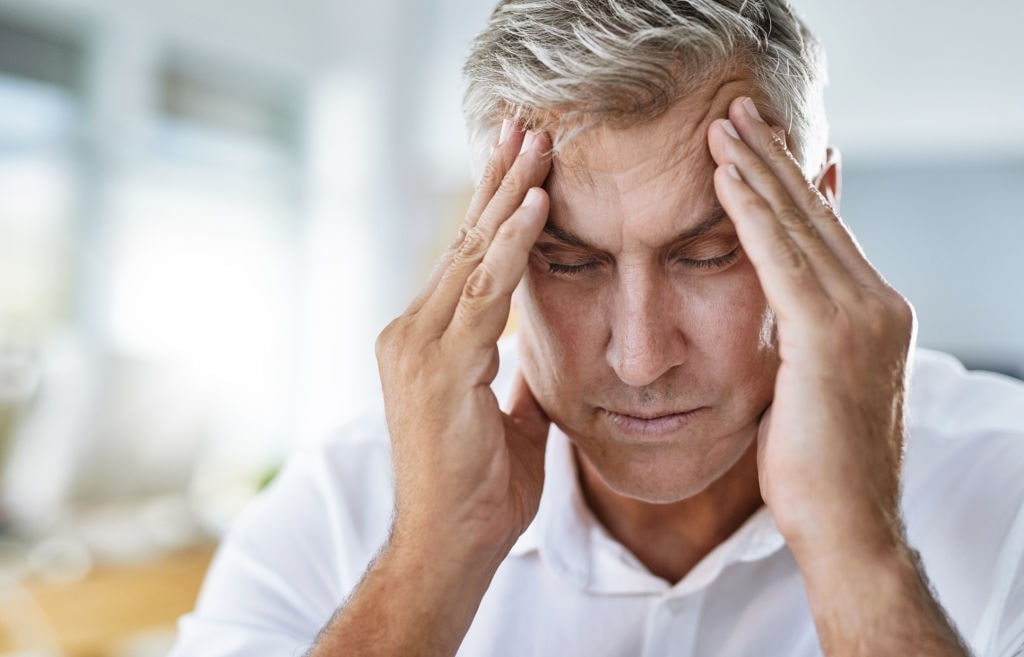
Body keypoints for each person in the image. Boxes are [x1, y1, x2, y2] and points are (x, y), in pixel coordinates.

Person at [169, 1, 1024, 655]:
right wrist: (429, 569)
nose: (642, 357)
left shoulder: (1007, 482)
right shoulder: (343, 505)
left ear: (821, 215)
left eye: (708, 254)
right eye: (570, 263)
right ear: (489, 248)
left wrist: (859, 554)